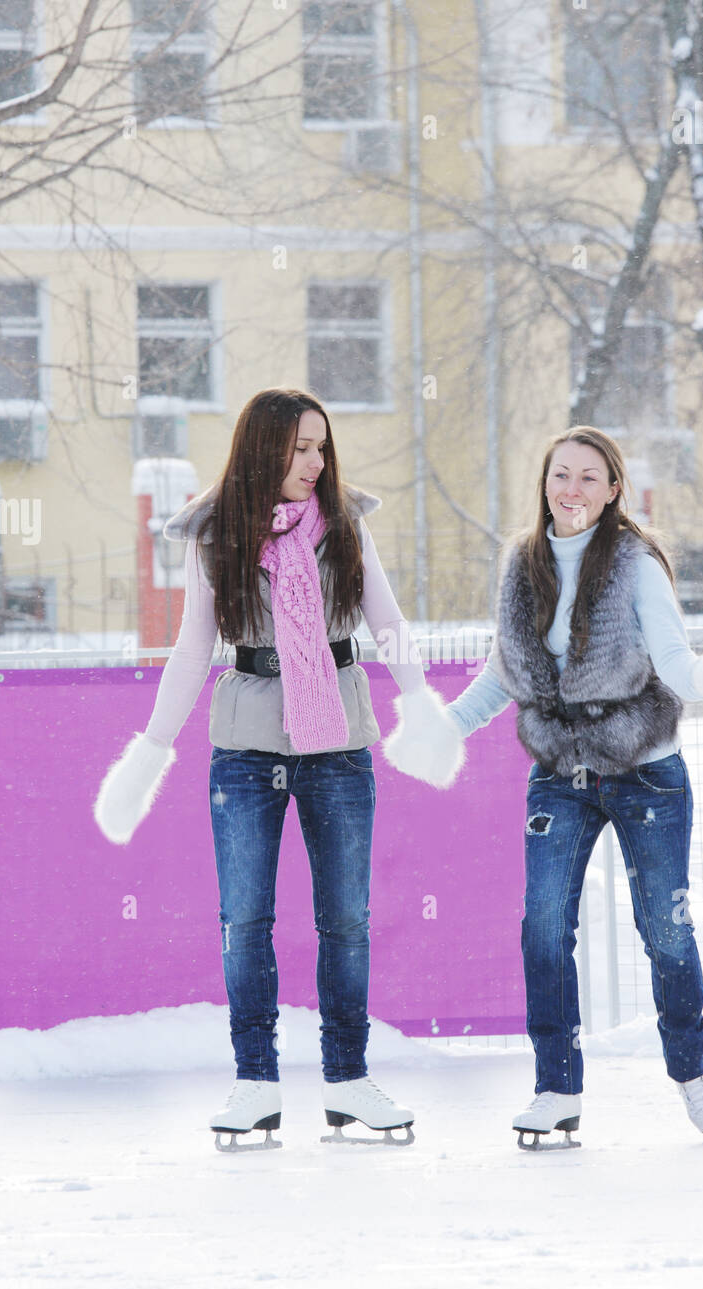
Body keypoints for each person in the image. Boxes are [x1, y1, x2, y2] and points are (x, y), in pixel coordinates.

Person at [384, 425, 703, 1146]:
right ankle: (555, 1089)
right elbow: (503, 673)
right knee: (543, 927)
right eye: (560, 475)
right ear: (545, 481)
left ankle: (690, 1070)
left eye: (588, 478)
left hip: (646, 770)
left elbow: (673, 659)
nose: (571, 490)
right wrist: (443, 729)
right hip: (561, 773)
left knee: (665, 929)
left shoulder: (635, 564)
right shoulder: (522, 565)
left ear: (612, 490)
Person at [93, 387, 463, 1148]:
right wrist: (151, 751)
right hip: (248, 745)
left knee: (347, 921)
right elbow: (195, 648)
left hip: (337, 746)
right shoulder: (214, 532)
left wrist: (422, 705)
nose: (315, 462)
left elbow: (387, 621)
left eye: (322, 447)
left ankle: (348, 1079)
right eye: (300, 448)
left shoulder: (345, 524)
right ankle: (255, 1082)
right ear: (263, 448)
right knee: (245, 922)